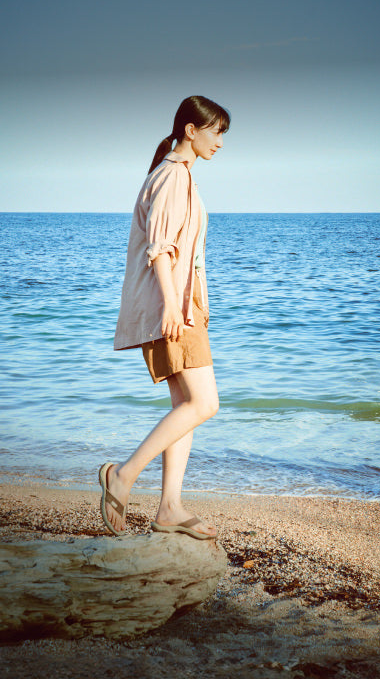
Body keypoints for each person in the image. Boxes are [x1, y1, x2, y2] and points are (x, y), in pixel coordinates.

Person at [99, 95, 230, 540]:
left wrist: (200, 301)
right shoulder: (173, 176)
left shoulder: (181, 176)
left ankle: (169, 507)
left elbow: (189, 254)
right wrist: (175, 307)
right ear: (191, 130)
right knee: (204, 403)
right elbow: (160, 250)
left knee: (185, 407)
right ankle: (123, 474)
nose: (220, 143)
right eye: (215, 132)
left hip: (182, 305)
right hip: (171, 307)